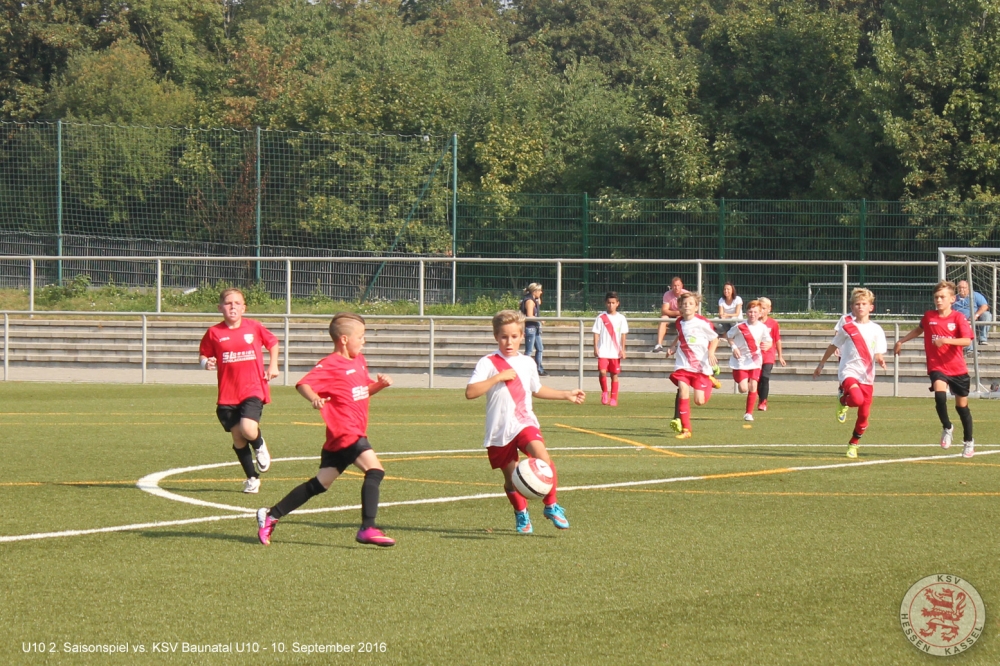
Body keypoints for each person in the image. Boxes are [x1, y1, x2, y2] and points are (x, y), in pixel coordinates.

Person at [256, 312, 396, 547]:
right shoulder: (331, 364)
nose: (364, 341)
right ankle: (367, 528)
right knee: (375, 471)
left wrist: (379, 385)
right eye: (360, 336)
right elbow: (303, 383)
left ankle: (271, 515)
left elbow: (361, 392)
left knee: (320, 484)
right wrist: (314, 398)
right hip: (346, 431)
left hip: (341, 437)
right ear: (344, 339)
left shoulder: (359, 361)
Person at [465, 309, 585, 534]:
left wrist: (565, 394)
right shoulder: (488, 362)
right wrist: (498, 377)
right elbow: (470, 392)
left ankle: (551, 505)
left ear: (522, 336)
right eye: (504, 337)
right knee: (512, 480)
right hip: (499, 429)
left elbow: (536, 389)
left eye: (514, 336)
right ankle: (521, 512)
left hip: (524, 422)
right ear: (495, 336)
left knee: (543, 457)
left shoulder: (527, 362)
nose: (509, 342)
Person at [199, 288, 279, 494]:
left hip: (253, 388)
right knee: (238, 437)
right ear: (220, 308)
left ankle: (259, 445)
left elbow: (273, 343)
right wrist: (206, 363)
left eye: (237, 303)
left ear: (244, 308)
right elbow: (203, 355)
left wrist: (273, 365)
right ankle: (252, 478)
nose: (232, 307)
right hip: (227, 394)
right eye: (228, 303)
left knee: (248, 429)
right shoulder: (214, 333)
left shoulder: (254, 327)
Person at [893, 281, 975, 457]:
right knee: (939, 395)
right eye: (936, 297)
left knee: (962, 407)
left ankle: (969, 441)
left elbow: (967, 340)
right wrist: (901, 341)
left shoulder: (958, 318)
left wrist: (946, 340)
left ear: (952, 299)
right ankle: (947, 427)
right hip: (937, 366)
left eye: (942, 297)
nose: (938, 300)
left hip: (957, 368)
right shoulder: (929, 316)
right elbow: (918, 330)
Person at [812, 288, 887, 459]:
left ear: (871, 307)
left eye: (864, 304)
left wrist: (880, 359)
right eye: (857, 304)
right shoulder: (847, 327)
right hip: (848, 371)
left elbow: (878, 352)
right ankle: (843, 400)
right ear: (852, 307)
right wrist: (821, 364)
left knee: (864, 415)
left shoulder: (877, 329)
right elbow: (833, 345)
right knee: (857, 399)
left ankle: (853, 443)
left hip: (867, 375)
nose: (860, 307)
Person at [666, 292, 719, 439]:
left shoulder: (703, 323)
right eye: (684, 304)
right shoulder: (679, 322)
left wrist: (711, 353)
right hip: (683, 365)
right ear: (680, 307)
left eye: (690, 304)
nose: (687, 306)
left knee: (699, 401)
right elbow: (681, 334)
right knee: (683, 390)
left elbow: (715, 338)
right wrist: (673, 346)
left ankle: (709, 380)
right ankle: (686, 430)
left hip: (700, 367)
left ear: (696, 307)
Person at [726, 300, 772, 422]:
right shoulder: (740, 326)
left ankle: (748, 413)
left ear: (760, 313)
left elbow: (769, 340)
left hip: (755, 360)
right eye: (750, 312)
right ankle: (740, 378)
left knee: (753, 385)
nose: (752, 314)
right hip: (740, 361)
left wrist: (767, 345)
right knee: (743, 388)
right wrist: (734, 347)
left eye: (755, 312)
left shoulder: (762, 327)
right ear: (746, 313)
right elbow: (729, 337)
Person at [593, 291, 628, 406]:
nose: (611, 305)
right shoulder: (601, 317)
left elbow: (623, 334)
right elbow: (596, 333)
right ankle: (604, 392)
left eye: (613, 303)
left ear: (617, 303)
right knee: (602, 371)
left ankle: (613, 398)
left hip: (615, 351)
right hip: (603, 350)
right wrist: (595, 347)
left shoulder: (621, 318)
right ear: (605, 303)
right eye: (609, 303)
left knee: (614, 375)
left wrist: (623, 349)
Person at [757, 297, 786, 411]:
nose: (761, 310)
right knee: (757, 379)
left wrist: (780, 356)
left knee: (765, 377)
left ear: (769, 309)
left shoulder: (773, 323)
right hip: (756, 355)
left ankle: (763, 401)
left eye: (764, 308)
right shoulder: (753, 322)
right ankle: (761, 397)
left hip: (768, 354)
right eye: (760, 308)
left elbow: (777, 340)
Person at [653, 277, 688, 353]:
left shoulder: (686, 294)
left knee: (680, 318)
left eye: (678, 285)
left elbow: (688, 310)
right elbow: (664, 310)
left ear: (682, 286)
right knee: (663, 318)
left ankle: (680, 344)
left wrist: (679, 314)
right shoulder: (667, 294)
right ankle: (659, 345)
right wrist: (677, 312)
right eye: (674, 285)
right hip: (671, 316)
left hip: (681, 316)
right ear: (671, 286)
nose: (676, 288)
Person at [520, 283, 546, 375]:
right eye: (539, 291)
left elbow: (539, 303)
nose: (541, 292)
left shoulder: (534, 299)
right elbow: (530, 316)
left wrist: (538, 297)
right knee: (529, 351)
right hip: (530, 328)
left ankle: (539, 369)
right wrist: (540, 319)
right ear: (534, 291)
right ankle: (524, 369)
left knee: (540, 348)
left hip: (535, 327)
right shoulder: (529, 301)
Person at [955, 280, 991, 346]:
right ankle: (969, 348)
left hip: (974, 320)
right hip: (960, 321)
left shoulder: (976, 295)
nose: (961, 289)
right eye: (959, 287)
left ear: (968, 288)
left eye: (964, 288)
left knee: (986, 315)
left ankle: (982, 339)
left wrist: (975, 315)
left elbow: (985, 306)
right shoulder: (954, 298)